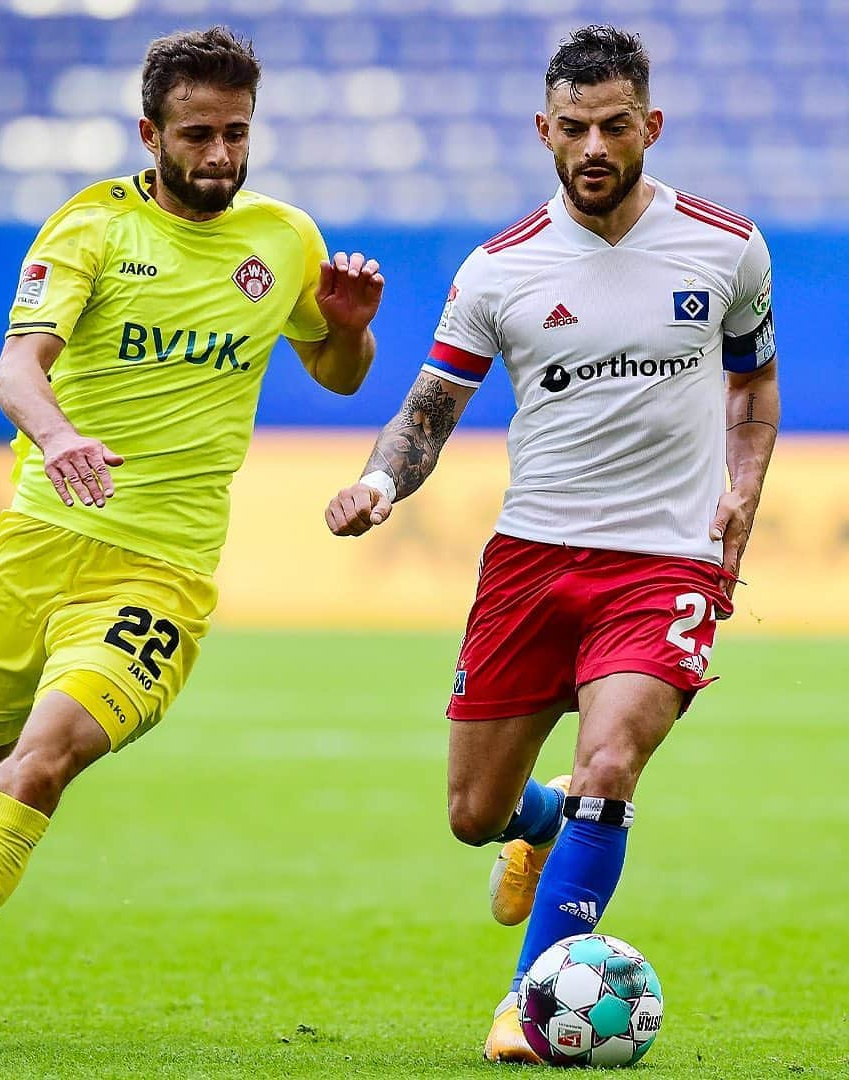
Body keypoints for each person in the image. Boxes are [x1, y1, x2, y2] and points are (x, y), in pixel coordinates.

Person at [0, 26, 384, 1050]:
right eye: (197, 135)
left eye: (237, 136)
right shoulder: (90, 230)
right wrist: (61, 436)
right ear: (149, 130)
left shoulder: (285, 239)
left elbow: (339, 376)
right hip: (38, 547)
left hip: (160, 575)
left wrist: (347, 327)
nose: (219, 159)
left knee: (38, 767)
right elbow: (18, 368)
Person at [325, 24, 778, 1064]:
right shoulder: (500, 271)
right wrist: (381, 481)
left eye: (615, 125)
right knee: (471, 812)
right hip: (533, 559)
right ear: (544, 129)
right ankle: (537, 821)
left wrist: (740, 493)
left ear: (650, 126)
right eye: (573, 127)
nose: (593, 146)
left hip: (665, 561)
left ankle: (527, 1002)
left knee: (611, 761)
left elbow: (752, 384)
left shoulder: (727, 247)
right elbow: (430, 405)